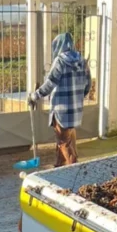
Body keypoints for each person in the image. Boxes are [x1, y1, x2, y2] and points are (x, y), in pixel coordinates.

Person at [28, 32, 91, 167]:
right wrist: (77, 98)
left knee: (64, 143)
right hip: (75, 111)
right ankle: (59, 166)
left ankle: (72, 171)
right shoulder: (81, 60)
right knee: (67, 140)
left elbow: (50, 83)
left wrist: (35, 96)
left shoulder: (60, 61)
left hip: (61, 111)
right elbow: (88, 85)